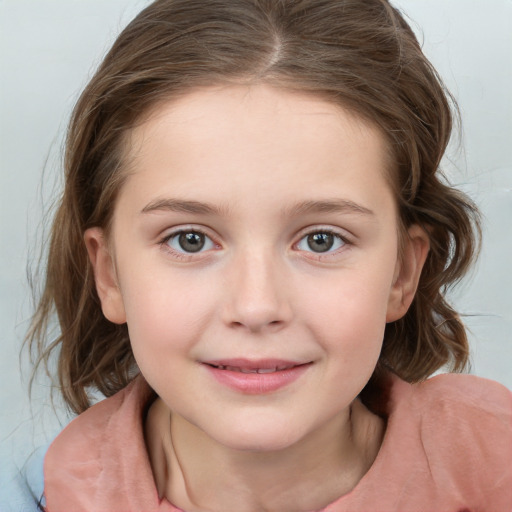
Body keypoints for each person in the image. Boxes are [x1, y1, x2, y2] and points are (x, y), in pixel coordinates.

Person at [16, 0, 512, 510]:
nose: (256, 307)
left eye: (322, 239)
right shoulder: (48, 495)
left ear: (402, 273)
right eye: (190, 239)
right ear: (110, 274)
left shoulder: (497, 462)